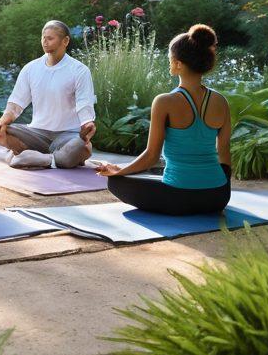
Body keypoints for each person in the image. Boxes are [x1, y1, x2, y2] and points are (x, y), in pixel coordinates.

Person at [93, 24, 232, 215]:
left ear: (179, 64)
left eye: (170, 59)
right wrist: (220, 189)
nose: (169, 63)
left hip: (178, 197)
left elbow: (151, 156)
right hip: (218, 197)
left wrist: (119, 171)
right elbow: (224, 152)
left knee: (115, 182)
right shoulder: (220, 101)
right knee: (154, 176)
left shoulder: (164, 101)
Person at [0, 20, 96, 169]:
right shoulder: (30, 68)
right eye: (43, 37)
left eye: (50, 38)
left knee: (83, 147)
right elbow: (17, 102)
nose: (45, 41)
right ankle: (56, 159)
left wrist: (87, 122)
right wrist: (2, 121)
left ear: (65, 41)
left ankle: (35, 158)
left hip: (68, 135)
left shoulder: (79, 70)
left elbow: (84, 103)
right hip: (36, 133)